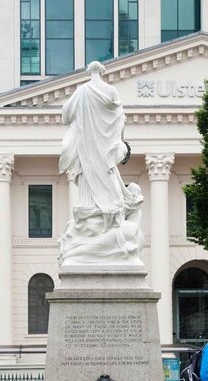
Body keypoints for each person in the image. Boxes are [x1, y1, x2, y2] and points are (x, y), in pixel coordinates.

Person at [57, 60, 144, 266]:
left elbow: (65, 115)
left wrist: (83, 117)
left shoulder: (81, 91)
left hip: (87, 153)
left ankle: (80, 247)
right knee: (111, 197)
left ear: (89, 72)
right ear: (102, 72)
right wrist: (114, 139)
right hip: (105, 155)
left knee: (92, 195)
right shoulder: (111, 91)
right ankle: (90, 239)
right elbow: (119, 116)